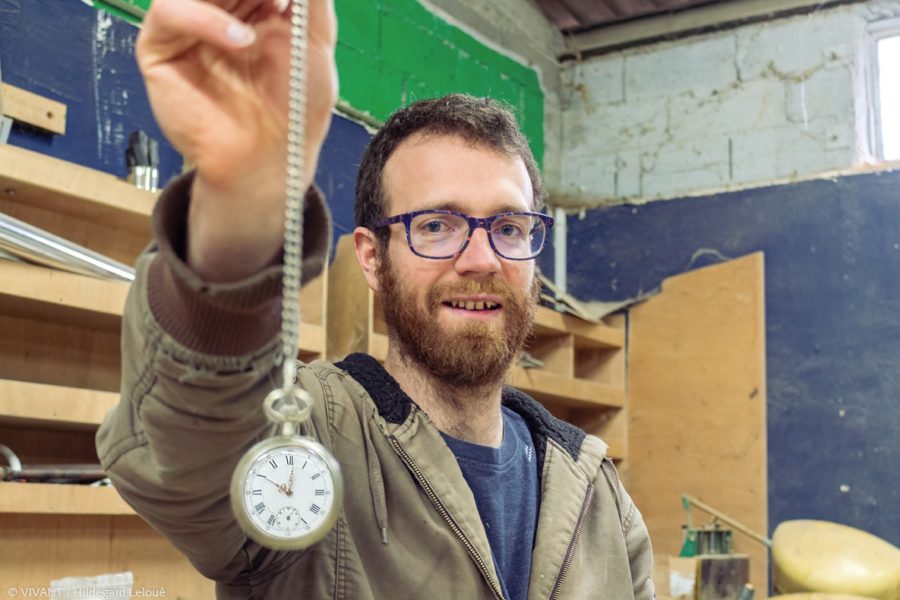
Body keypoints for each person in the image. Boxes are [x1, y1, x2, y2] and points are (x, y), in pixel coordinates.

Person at [96, 0, 656, 598]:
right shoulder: (306, 435)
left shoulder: (596, 494)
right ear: (371, 257)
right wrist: (243, 198)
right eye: (436, 225)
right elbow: (186, 460)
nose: (483, 258)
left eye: (509, 227)